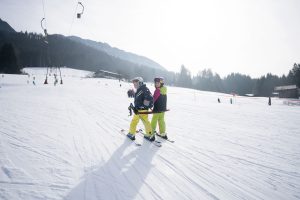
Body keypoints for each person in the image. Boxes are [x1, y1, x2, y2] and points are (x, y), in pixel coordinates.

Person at [127, 77, 155, 141]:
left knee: (134, 121)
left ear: (140, 83)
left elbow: (148, 98)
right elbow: (140, 98)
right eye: (134, 84)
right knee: (146, 122)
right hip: (142, 110)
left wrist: (141, 107)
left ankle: (131, 133)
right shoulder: (141, 89)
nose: (135, 85)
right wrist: (134, 94)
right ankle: (149, 134)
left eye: (136, 83)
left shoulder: (143, 89)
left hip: (140, 110)